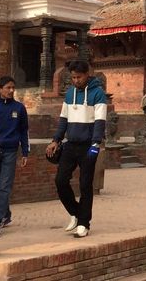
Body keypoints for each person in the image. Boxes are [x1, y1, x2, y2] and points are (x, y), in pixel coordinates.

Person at [46, 60, 107, 238]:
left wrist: (96, 144)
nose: (76, 81)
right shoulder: (70, 93)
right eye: (73, 77)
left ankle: (83, 224)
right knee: (60, 181)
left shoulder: (98, 93)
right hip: (70, 144)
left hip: (89, 145)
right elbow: (63, 119)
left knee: (85, 185)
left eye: (79, 77)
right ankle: (76, 213)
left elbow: (100, 121)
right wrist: (56, 140)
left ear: (87, 74)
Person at [0, 75, 30, 236]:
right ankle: (6, 215)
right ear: (0, 89)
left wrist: (25, 152)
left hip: (11, 151)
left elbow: (24, 131)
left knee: (4, 186)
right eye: (8, 88)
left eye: (13, 88)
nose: (11, 91)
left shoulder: (19, 108)